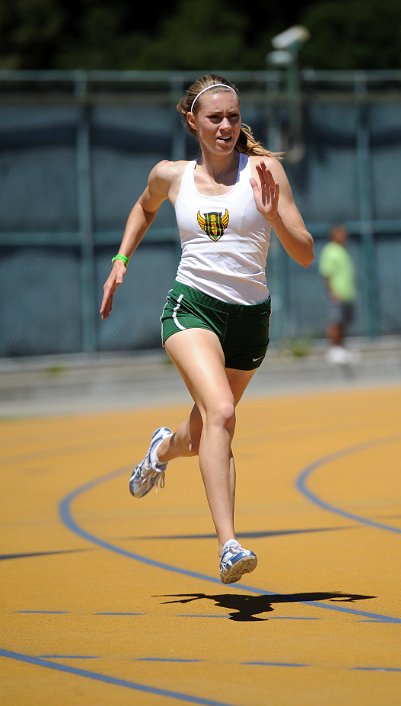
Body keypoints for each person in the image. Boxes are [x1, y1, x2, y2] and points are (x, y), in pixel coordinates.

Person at [100, 74, 314, 584]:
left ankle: (161, 448)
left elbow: (304, 251)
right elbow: (143, 206)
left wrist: (274, 218)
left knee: (202, 434)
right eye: (215, 117)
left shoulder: (264, 171)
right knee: (220, 412)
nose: (225, 126)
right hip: (190, 309)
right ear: (192, 121)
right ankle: (228, 545)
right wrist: (120, 258)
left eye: (233, 117)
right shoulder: (171, 175)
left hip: (249, 319)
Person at [319, 224, 358, 364]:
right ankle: (334, 349)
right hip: (337, 294)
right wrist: (332, 292)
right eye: (341, 233)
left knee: (344, 322)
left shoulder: (343, 250)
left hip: (347, 294)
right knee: (335, 321)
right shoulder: (330, 251)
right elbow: (327, 274)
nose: (344, 236)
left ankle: (342, 348)